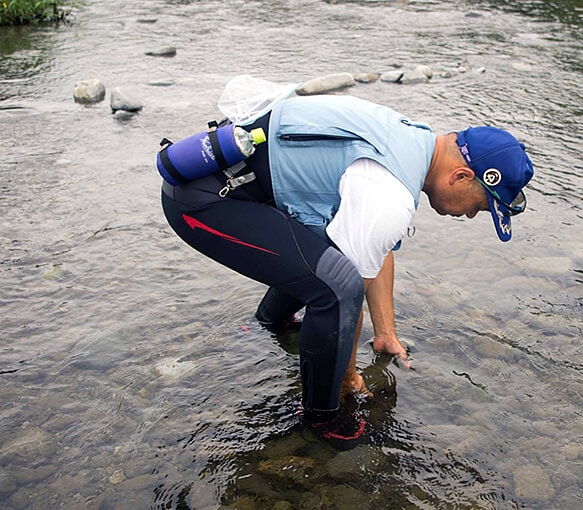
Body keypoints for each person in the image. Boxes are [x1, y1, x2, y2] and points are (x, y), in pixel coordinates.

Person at [160, 93, 534, 430]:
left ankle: (267, 326)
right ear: (461, 176)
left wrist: (385, 333)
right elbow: (351, 287)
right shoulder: (391, 192)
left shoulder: (412, 141)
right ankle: (322, 417)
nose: (471, 216)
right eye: (481, 205)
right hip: (202, 203)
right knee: (337, 287)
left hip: (233, 187)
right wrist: (348, 376)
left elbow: (377, 247)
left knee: (335, 259)